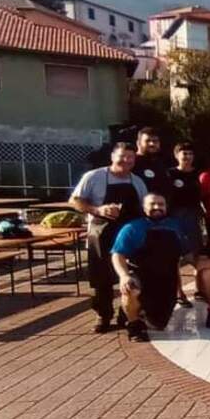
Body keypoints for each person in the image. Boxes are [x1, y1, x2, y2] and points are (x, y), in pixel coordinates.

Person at [70, 142, 149, 333]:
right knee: (101, 276)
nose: (126, 160)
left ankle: (127, 313)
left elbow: (144, 207)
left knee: (130, 273)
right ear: (113, 156)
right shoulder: (94, 177)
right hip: (101, 232)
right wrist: (98, 209)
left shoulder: (137, 182)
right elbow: (74, 200)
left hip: (128, 234)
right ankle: (103, 315)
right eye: (122, 156)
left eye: (130, 157)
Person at [110, 193, 186, 341]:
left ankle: (133, 310)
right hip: (140, 275)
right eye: (152, 204)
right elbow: (117, 255)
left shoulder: (175, 226)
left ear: (166, 207)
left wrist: (198, 270)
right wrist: (124, 276)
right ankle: (134, 325)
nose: (157, 207)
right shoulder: (132, 228)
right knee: (131, 289)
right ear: (144, 207)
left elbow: (181, 258)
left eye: (161, 204)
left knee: (158, 324)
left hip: (166, 280)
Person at [165, 141, 202, 307]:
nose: (187, 156)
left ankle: (200, 290)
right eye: (184, 153)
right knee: (175, 258)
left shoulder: (199, 174)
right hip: (174, 218)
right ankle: (179, 293)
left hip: (193, 217)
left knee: (196, 255)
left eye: (190, 153)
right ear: (176, 155)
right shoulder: (169, 174)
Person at [133, 127, 171, 195]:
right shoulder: (131, 162)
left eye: (155, 141)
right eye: (147, 141)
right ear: (138, 143)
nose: (152, 144)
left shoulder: (161, 163)